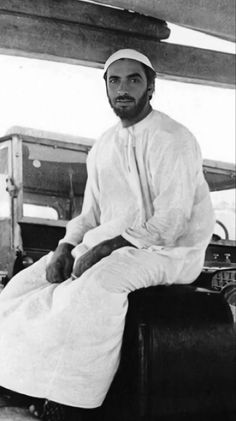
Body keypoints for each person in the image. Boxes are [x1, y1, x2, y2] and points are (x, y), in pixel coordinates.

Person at [0, 49, 214, 420]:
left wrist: (107, 249)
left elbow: (173, 219)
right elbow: (91, 215)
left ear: (151, 87)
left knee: (98, 285)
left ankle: (74, 404)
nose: (123, 89)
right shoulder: (103, 146)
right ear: (106, 88)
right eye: (114, 81)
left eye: (133, 79)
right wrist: (66, 247)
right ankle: (18, 385)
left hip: (168, 250)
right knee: (24, 285)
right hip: (110, 244)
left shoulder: (173, 137)